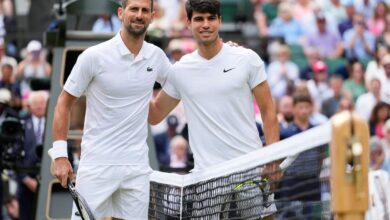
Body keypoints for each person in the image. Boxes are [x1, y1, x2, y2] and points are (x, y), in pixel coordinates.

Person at [149, 0, 279, 218]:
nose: (205, 24)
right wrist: (129, 81)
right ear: (188, 23)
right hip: (207, 176)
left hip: (251, 167)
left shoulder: (246, 59)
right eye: (199, 19)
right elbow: (154, 115)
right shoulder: (180, 70)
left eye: (211, 18)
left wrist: (273, 158)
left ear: (219, 20)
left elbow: (268, 111)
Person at [48, 0, 172, 219]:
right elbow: (63, 103)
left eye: (145, 10)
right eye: (134, 9)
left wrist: (223, 53)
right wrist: (59, 156)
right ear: (121, 13)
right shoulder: (93, 56)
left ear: (152, 16)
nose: (139, 15)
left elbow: (182, 83)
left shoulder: (157, 57)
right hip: (97, 165)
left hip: (137, 167)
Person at [17, 90, 48, 220]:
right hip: (26, 184)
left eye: (42, 103)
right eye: (36, 103)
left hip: (49, 181)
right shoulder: (21, 125)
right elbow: (16, 154)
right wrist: (26, 179)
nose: (40, 106)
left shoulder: (54, 123)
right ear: (30, 106)